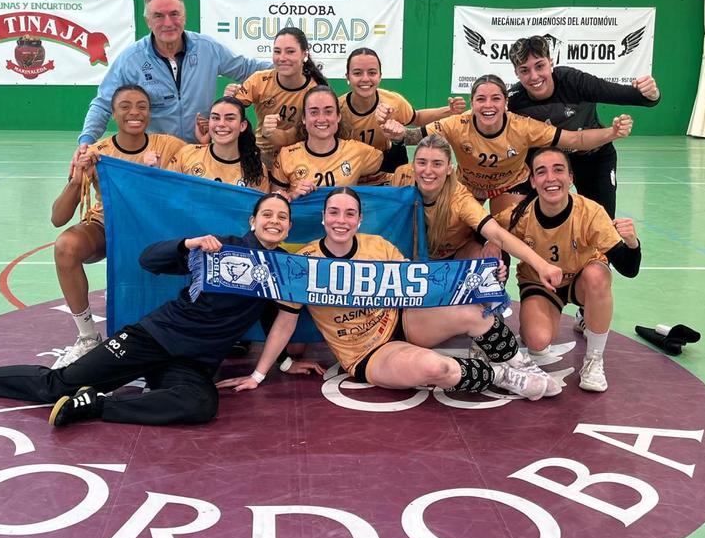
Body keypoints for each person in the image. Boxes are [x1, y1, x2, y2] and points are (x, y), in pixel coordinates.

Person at [0, 193, 323, 426]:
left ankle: (98, 404)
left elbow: (282, 321)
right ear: (253, 220)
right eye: (267, 214)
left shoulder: (284, 271)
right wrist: (187, 244)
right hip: (153, 338)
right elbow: (149, 261)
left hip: (193, 362)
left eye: (282, 217)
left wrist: (271, 369)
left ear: (288, 229)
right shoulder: (218, 247)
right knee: (59, 384)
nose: (275, 221)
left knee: (200, 405)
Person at [218, 189, 563, 400]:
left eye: (349, 213)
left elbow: (424, 285)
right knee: (436, 367)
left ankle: (519, 362)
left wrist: (482, 280)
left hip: (403, 321)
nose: (341, 220)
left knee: (475, 311)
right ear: (323, 218)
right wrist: (259, 374)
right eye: (334, 213)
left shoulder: (378, 246)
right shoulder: (303, 263)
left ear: (359, 220)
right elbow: (284, 323)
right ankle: (504, 377)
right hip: (367, 353)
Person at [50, 84, 185, 367]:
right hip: (108, 227)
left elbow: (198, 177)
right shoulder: (98, 152)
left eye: (141, 106)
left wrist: (157, 174)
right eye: (125, 106)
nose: (133, 112)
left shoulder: (170, 146)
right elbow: (58, 218)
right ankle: (87, 337)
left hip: (152, 229)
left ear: (150, 113)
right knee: (66, 246)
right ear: (112, 114)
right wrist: (78, 179)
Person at [495, 148, 642, 393]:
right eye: (541, 172)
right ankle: (552, 320)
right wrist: (491, 245)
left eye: (558, 170)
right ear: (533, 181)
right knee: (538, 344)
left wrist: (632, 243)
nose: (550, 178)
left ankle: (594, 358)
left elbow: (629, 268)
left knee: (598, 274)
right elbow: (483, 228)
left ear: (571, 178)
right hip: (541, 285)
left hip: (581, 280)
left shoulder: (591, 212)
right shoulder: (519, 215)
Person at [383, 74, 633, 215]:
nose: (488, 105)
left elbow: (575, 139)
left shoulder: (523, 126)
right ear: (473, 103)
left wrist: (611, 132)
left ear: (505, 103)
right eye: (481, 99)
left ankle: (495, 294)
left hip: (508, 186)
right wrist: (396, 132)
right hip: (468, 185)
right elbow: (413, 137)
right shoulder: (457, 123)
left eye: (495, 99)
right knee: (454, 231)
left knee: (502, 236)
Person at [77, 0, 267, 149]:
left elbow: (247, 68)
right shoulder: (130, 59)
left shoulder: (207, 48)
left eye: (174, 14)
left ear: (184, 17)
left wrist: (291, 65)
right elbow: (103, 104)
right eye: (158, 16)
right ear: (148, 21)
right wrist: (86, 141)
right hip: (155, 157)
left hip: (199, 154)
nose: (168, 23)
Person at [506, 35, 660, 217]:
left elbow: (636, 97)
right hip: (547, 163)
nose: (534, 76)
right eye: (524, 70)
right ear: (516, 73)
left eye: (540, 66)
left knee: (601, 222)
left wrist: (651, 93)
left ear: (551, 62)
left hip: (592, 158)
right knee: (521, 219)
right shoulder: (514, 101)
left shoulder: (575, 82)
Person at [392, 135, 561, 290]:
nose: (428, 171)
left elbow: (496, 234)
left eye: (437, 164)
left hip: (455, 255)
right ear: (413, 166)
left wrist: (542, 266)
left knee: (490, 262)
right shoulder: (401, 177)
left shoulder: (460, 199)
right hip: (412, 256)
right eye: (422, 162)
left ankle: (490, 309)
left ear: (449, 168)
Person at [339, 47, 466, 173]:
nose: (365, 79)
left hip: (385, 174)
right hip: (349, 174)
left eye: (372, 73)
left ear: (380, 76)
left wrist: (449, 110)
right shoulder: (337, 109)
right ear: (348, 77)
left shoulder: (393, 101)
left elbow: (417, 118)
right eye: (357, 73)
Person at [225, 26, 326, 158]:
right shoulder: (259, 80)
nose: (282, 58)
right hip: (259, 159)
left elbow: (288, 139)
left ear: (304, 55)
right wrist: (228, 99)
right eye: (277, 51)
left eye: (290, 51)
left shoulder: (315, 92)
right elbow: (229, 114)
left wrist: (270, 132)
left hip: (300, 160)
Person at [270, 86, 385, 198]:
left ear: (338, 116)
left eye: (328, 111)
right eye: (314, 112)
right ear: (304, 118)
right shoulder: (286, 155)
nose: (321, 119)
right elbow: (272, 202)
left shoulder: (359, 152)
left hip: (342, 217)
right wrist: (292, 195)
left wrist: (396, 137)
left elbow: (395, 174)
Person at [167, 96, 269, 191]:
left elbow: (260, 208)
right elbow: (166, 192)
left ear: (242, 126)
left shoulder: (256, 169)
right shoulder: (187, 154)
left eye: (230, 118)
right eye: (215, 118)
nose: (221, 124)